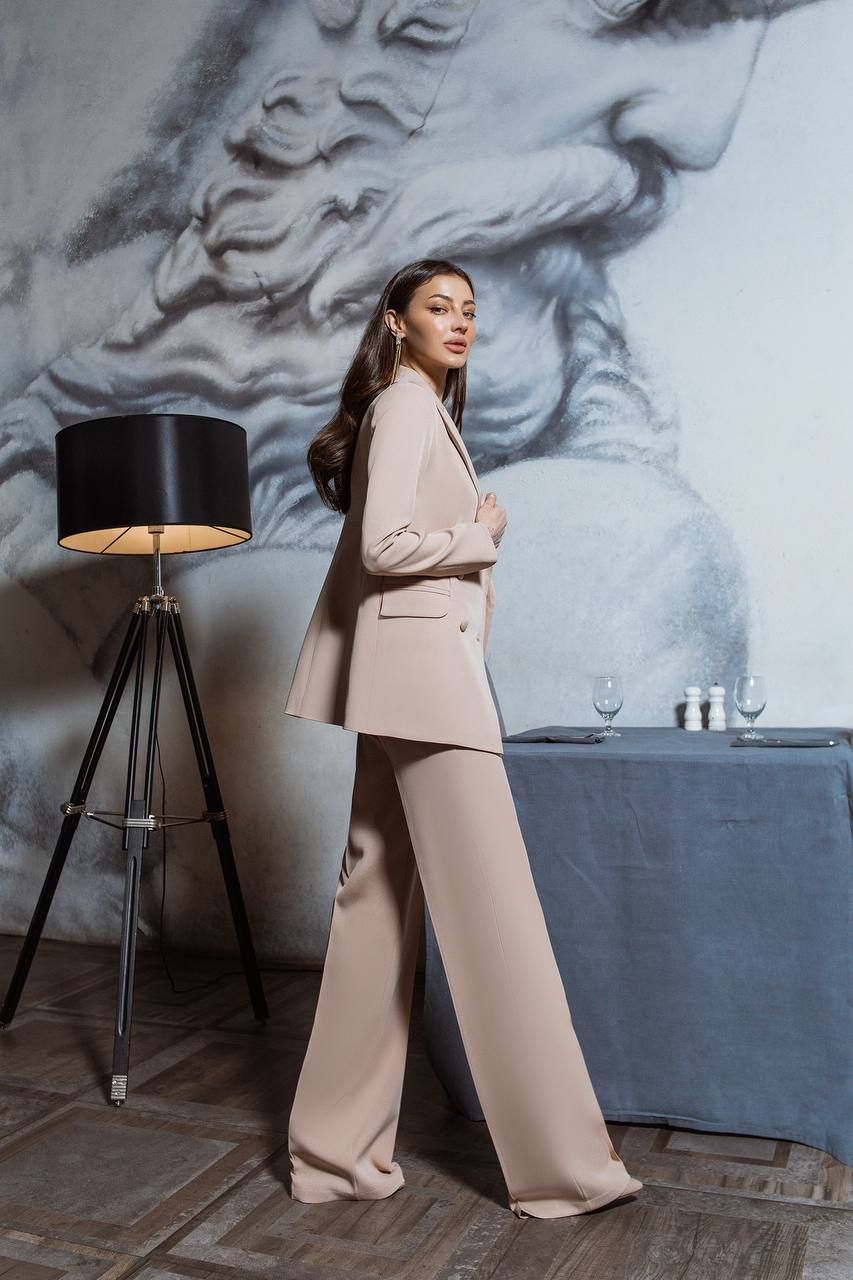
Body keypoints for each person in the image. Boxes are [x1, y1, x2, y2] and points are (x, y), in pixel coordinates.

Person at [283, 256, 644, 1219]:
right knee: (497, 927)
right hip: (425, 689)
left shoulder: (420, 410)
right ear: (394, 323)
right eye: (437, 306)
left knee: (378, 912)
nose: (459, 321)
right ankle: (565, 1166)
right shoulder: (404, 408)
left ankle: (332, 1157)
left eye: (470, 310)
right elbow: (381, 547)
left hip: (399, 683)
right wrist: (479, 534)